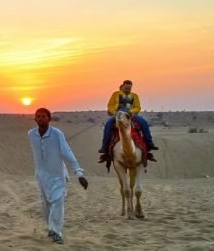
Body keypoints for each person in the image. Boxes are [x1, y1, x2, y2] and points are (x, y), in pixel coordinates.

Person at [28, 108, 88, 245]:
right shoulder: (31, 134)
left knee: (57, 201)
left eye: (43, 116)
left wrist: (79, 173)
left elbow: (67, 152)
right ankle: (50, 228)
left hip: (58, 175)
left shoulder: (57, 134)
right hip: (41, 176)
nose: (40, 119)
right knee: (46, 203)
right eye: (38, 116)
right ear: (35, 119)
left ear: (49, 119)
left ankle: (56, 231)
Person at [98, 80, 158, 163]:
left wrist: (132, 111)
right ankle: (104, 148)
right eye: (126, 88)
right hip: (118, 114)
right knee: (108, 125)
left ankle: (149, 143)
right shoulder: (115, 94)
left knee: (144, 123)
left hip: (131, 114)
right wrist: (114, 112)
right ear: (123, 86)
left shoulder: (135, 96)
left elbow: (138, 107)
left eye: (129, 88)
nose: (128, 90)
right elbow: (110, 105)